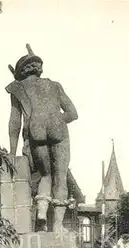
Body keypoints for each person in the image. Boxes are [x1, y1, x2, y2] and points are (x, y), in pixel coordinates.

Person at [6, 44, 78, 232]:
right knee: (60, 176)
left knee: (45, 175)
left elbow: (15, 122)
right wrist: (55, 121)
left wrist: (12, 153)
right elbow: (72, 113)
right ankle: (58, 226)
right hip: (57, 127)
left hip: (35, 129)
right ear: (38, 68)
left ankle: (41, 218)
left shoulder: (17, 89)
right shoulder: (54, 86)